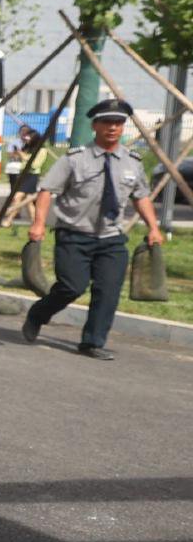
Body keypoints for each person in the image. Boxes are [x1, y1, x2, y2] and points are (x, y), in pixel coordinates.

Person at [22, 98, 164, 360]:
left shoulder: (132, 162)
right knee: (72, 287)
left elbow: (141, 196)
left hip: (111, 238)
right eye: (107, 122)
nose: (113, 128)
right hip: (73, 235)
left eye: (118, 123)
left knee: (108, 291)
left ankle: (92, 342)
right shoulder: (75, 159)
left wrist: (153, 227)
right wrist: (39, 223)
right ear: (95, 125)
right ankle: (38, 314)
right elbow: (46, 191)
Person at [0, 122, 45, 237]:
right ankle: (35, 223)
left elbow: (35, 165)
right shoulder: (27, 148)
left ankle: (8, 221)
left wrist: (23, 156)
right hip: (23, 175)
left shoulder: (42, 151)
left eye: (28, 138)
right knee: (28, 202)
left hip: (32, 177)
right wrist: (21, 154)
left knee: (17, 198)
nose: (26, 140)